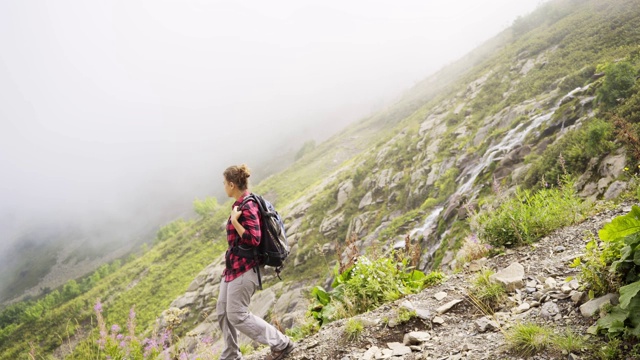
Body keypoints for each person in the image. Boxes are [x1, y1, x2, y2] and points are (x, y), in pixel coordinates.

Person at [217, 164, 295, 360]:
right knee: (223, 312)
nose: (224, 187)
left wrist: (235, 222)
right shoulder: (239, 204)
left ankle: (281, 343)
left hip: (245, 269)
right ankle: (231, 355)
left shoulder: (248, 205)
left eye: (225, 183)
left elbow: (254, 239)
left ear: (232, 184)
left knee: (237, 314)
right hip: (232, 269)